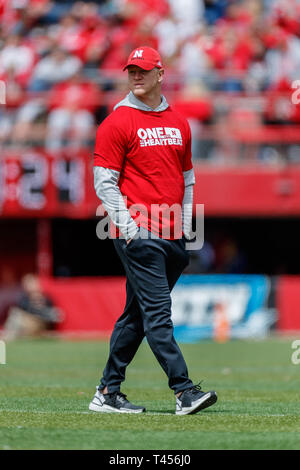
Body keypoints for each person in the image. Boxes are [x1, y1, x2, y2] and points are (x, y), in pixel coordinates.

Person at [89, 46, 217, 415]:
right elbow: (104, 182)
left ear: (161, 73)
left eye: (143, 70)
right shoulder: (117, 122)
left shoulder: (179, 122)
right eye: (131, 70)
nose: (136, 76)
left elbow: (187, 178)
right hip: (139, 233)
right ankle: (184, 391)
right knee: (158, 313)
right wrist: (128, 227)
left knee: (138, 315)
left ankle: (107, 392)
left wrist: (187, 224)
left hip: (174, 233)